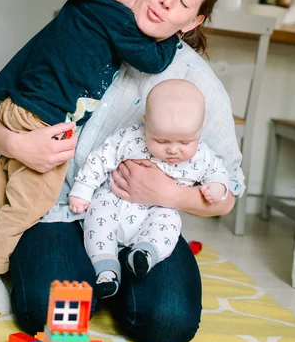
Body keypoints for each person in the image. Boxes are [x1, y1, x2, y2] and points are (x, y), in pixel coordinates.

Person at [0, 0, 245, 342]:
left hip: (141, 218)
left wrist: (168, 194)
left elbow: (229, 193)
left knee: (168, 322)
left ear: (194, 20)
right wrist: (19, 144)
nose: (167, 1)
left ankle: (114, 281)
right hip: (59, 206)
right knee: (46, 312)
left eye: (185, 1)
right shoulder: (79, 28)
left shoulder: (198, 82)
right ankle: (88, 278)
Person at [0, 0, 180, 315]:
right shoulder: (113, 14)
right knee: (33, 201)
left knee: (10, 186)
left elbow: (35, 49)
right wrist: (172, 35)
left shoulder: (78, 9)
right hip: (45, 122)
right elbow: (150, 60)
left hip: (22, 106)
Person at [69, 79, 229, 300]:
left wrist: (218, 187)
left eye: (185, 142)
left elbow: (219, 174)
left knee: (170, 221)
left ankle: (145, 253)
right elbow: (100, 158)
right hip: (116, 200)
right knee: (100, 206)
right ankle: (106, 268)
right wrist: (83, 189)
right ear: (146, 124)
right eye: (161, 141)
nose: (173, 150)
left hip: (157, 211)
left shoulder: (203, 155)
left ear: (201, 126)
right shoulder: (131, 138)